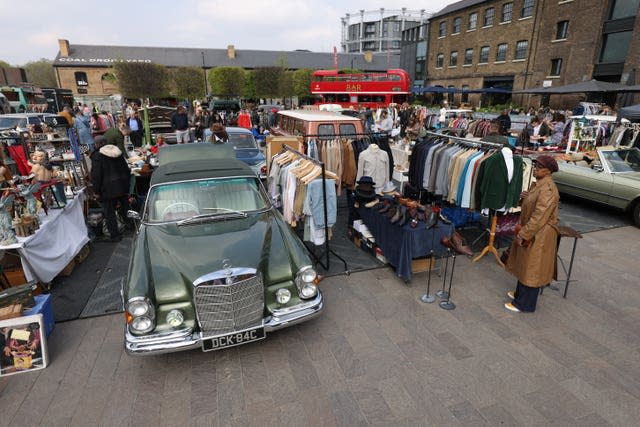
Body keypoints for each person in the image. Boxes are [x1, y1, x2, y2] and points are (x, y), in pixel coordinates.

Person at [505, 155, 560, 313]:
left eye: (539, 166)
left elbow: (540, 216)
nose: (535, 167)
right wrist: (525, 198)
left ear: (548, 171)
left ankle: (524, 304)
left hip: (540, 233)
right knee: (526, 264)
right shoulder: (540, 184)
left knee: (532, 268)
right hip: (535, 230)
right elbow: (534, 206)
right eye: (535, 164)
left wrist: (524, 233)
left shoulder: (548, 188)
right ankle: (520, 295)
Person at [91, 135, 131, 242]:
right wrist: (126, 184)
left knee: (109, 213)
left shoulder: (97, 155)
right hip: (121, 186)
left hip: (107, 189)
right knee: (125, 208)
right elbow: (127, 170)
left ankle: (115, 235)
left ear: (97, 144)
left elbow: (96, 175)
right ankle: (131, 227)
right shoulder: (117, 152)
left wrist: (96, 191)